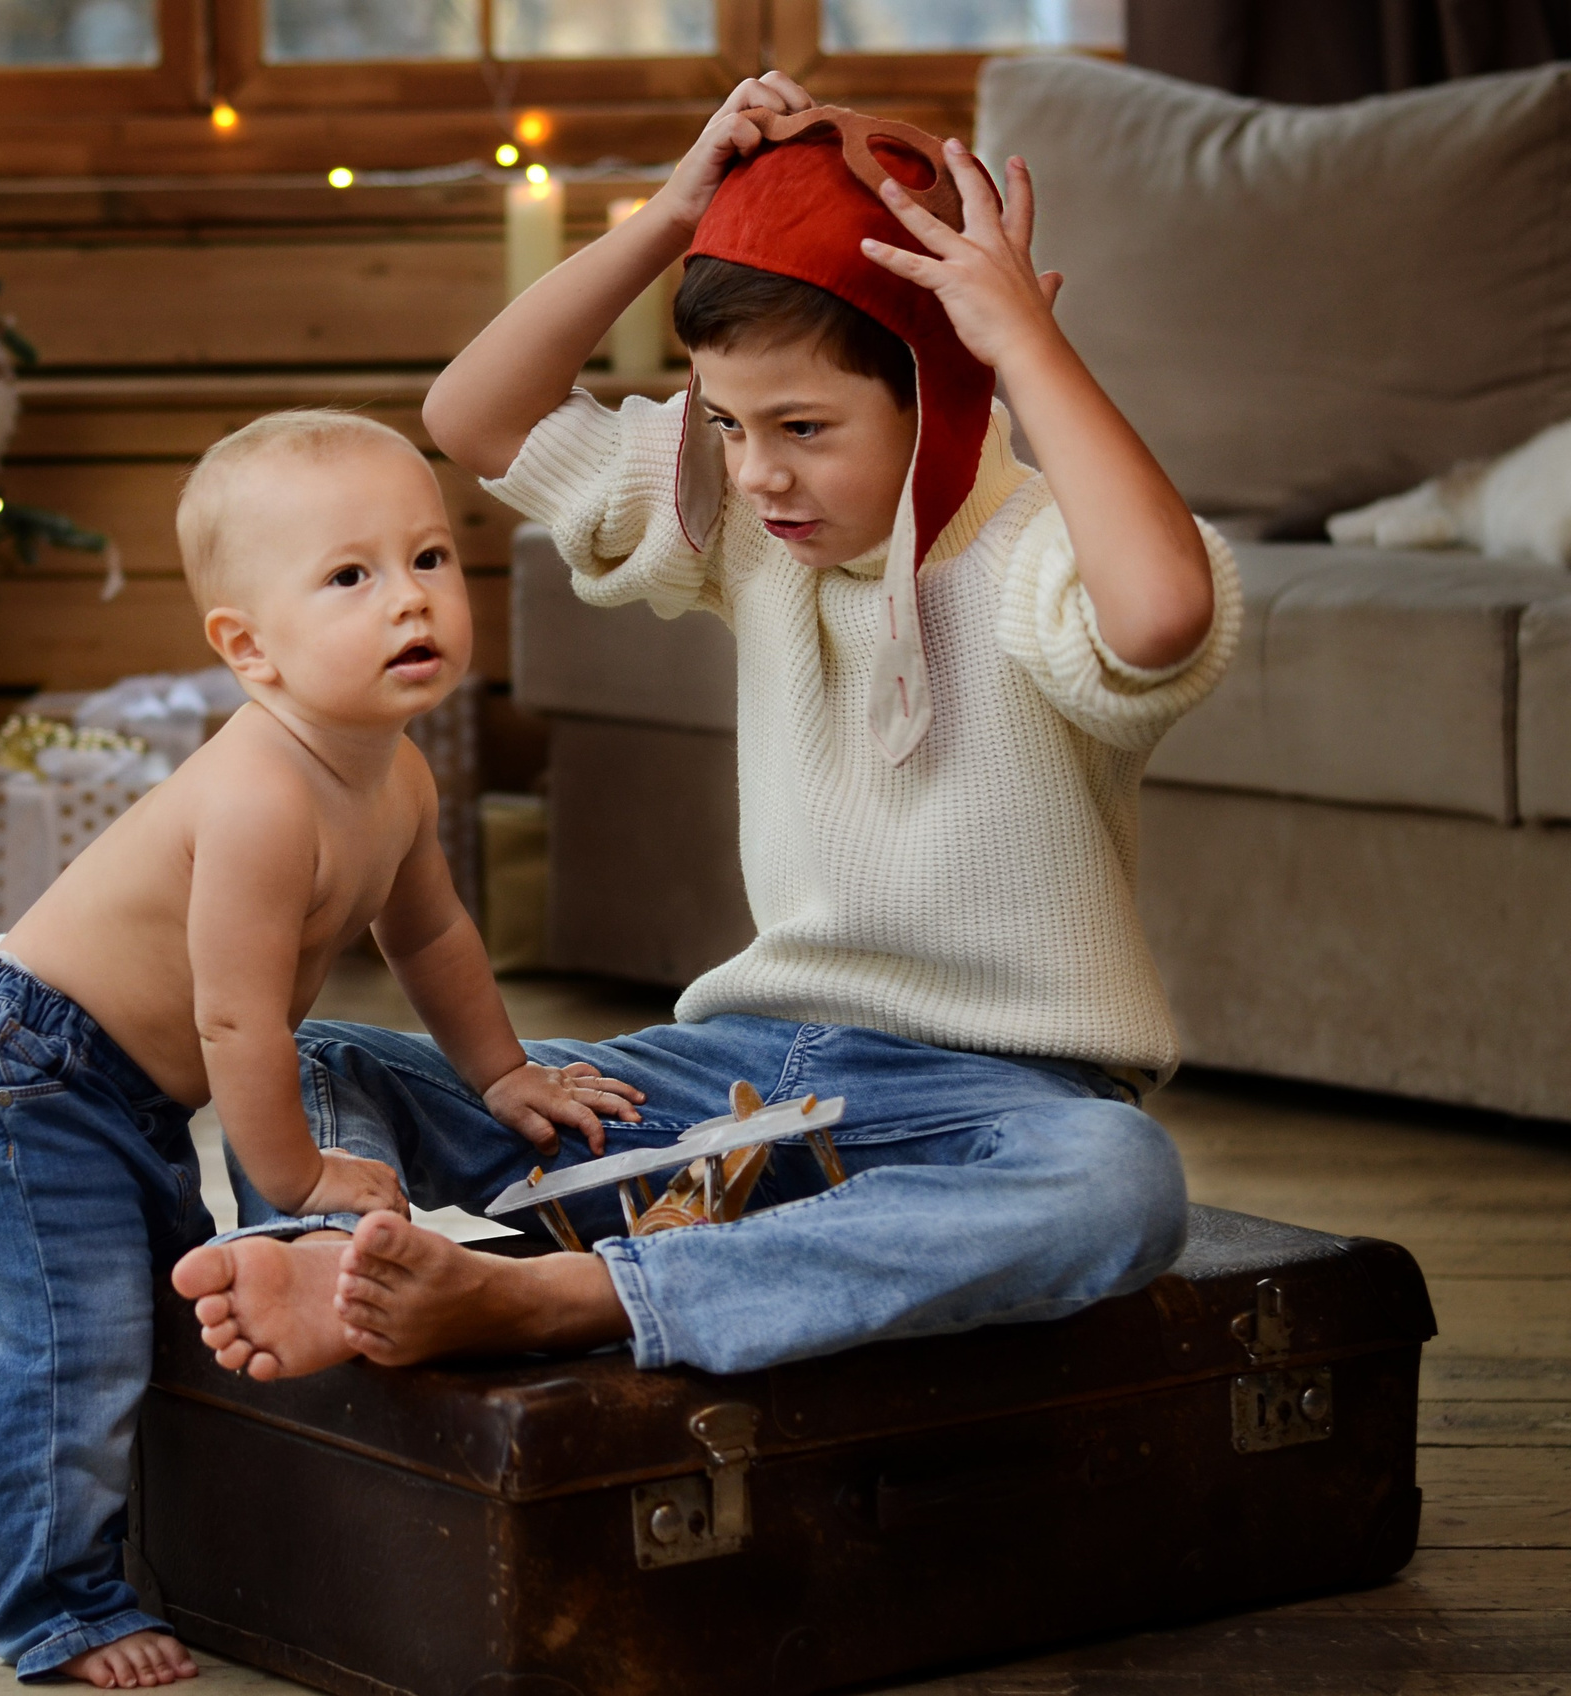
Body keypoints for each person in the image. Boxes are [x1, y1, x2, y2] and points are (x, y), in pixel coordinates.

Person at [167, 72, 1242, 1386]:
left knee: (1119, 1184)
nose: (757, 470)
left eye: (804, 428)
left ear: (943, 386)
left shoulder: (1039, 557)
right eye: (726, 424)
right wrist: (672, 217)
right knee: (328, 1064)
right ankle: (343, 1263)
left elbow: (1165, 611)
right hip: (735, 1079)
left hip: (998, 1100)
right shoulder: (747, 523)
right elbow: (473, 419)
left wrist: (1022, 343)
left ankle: (578, 1294)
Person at [0, 409, 641, 1688]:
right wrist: (297, 1176)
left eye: (428, 557)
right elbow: (237, 1019)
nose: (408, 597)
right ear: (250, 648)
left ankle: (160, 1546)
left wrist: (502, 1072)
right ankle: (56, 1609)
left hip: (118, 1083)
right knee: (68, 1346)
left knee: (165, 1316)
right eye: (350, 576)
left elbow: (433, 937)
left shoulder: (395, 774)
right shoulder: (258, 795)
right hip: (23, 1069)